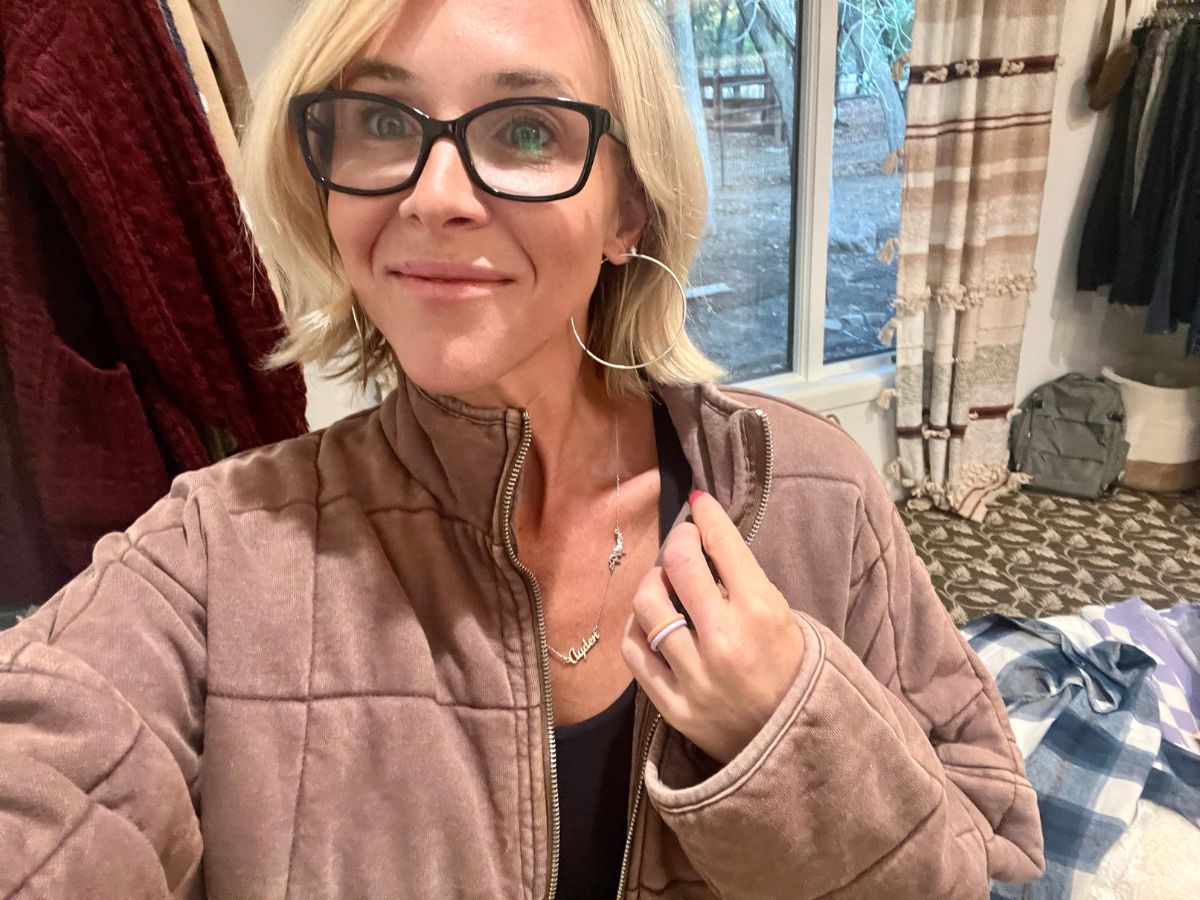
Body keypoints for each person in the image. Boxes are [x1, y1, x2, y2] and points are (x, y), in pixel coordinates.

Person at [0, 0, 1045, 896]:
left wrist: (791, 729)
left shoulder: (816, 493)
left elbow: (985, 859)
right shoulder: (218, 549)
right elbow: (47, 770)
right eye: (380, 121)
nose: (434, 196)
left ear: (628, 210)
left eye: (529, 131)